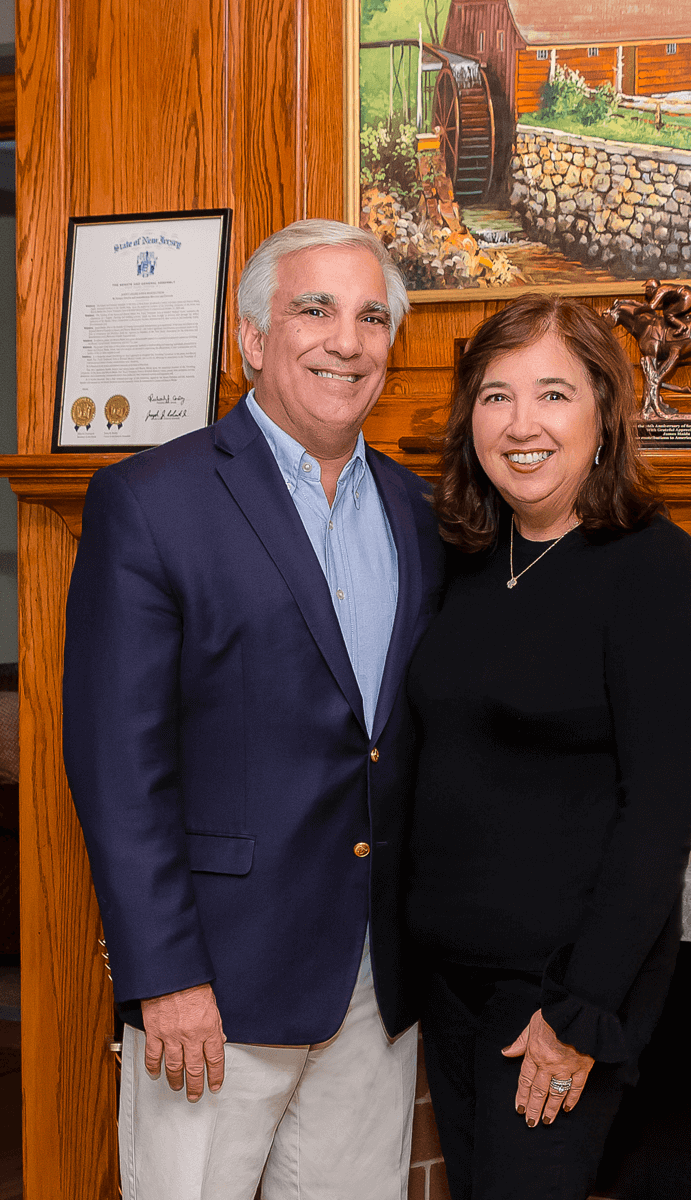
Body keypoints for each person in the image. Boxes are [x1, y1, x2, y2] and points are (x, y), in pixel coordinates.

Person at [62, 218, 444, 1198]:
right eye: (313, 309)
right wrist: (165, 977)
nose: (346, 341)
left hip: (372, 986)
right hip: (213, 986)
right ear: (250, 337)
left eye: (369, 317)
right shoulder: (151, 502)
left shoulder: (418, 512)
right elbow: (118, 764)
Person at [405, 294, 691, 1200]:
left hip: (553, 997)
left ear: (603, 413)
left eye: (553, 394)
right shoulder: (468, 559)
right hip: (451, 985)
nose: (522, 424)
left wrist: (578, 1015)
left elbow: (659, 817)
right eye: (496, 396)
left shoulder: (655, 570)